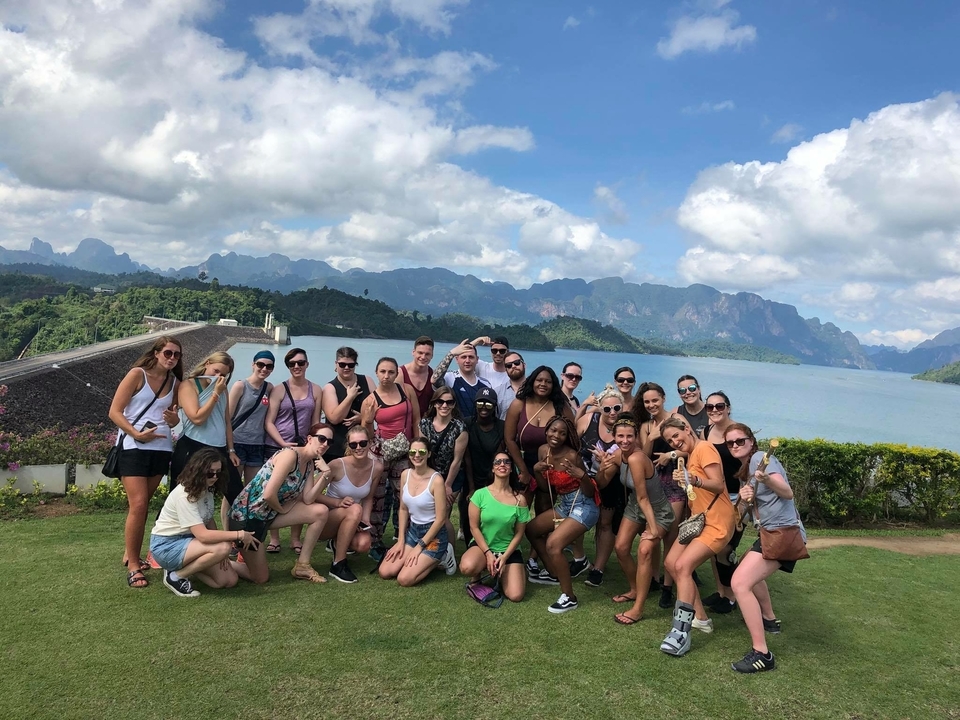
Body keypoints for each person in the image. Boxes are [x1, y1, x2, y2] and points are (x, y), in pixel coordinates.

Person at [725, 423, 806, 673]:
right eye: (731, 443)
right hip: (771, 532)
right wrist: (744, 499)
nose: (736, 446)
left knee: (739, 583)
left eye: (740, 441)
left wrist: (767, 478)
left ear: (751, 441)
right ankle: (769, 619)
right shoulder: (746, 471)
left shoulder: (761, 459)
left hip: (783, 533)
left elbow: (788, 493)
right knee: (745, 570)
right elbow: (743, 516)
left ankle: (762, 654)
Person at [659, 417, 737, 657]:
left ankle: (681, 631)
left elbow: (718, 484)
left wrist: (694, 479)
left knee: (682, 566)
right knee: (671, 563)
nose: (675, 441)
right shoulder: (689, 455)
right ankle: (701, 618)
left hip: (717, 522)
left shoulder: (704, 448)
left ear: (686, 429)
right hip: (700, 521)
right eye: (669, 439)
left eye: (676, 435)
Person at [109, 336, 182, 588]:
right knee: (138, 504)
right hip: (133, 447)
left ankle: (130, 552)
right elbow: (114, 411)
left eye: (176, 355)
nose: (172, 358)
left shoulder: (175, 383)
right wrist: (135, 433)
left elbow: (173, 420)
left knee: (143, 504)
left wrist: (173, 420)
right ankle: (133, 565)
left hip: (161, 449)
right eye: (168, 353)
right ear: (157, 353)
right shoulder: (137, 374)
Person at [228, 426, 332, 584]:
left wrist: (325, 475)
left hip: (268, 515)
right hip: (246, 518)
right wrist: (282, 509)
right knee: (260, 578)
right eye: (322, 438)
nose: (325, 444)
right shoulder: (290, 455)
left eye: (329, 442)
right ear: (310, 439)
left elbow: (309, 499)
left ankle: (302, 566)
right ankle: (221, 562)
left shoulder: (309, 464)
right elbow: (269, 494)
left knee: (320, 512)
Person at [149, 449, 257, 598]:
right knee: (223, 547)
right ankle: (175, 576)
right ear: (198, 470)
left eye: (218, 473)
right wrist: (239, 535)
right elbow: (203, 536)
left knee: (228, 581)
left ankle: (187, 567)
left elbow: (208, 519)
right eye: (210, 472)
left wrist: (220, 555)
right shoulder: (185, 495)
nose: (214, 477)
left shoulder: (206, 490)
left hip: (190, 542)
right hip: (167, 545)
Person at [601, 414, 675, 625]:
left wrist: (652, 529)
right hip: (635, 506)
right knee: (622, 547)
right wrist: (602, 467)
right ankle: (634, 589)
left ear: (636, 438)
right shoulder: (619, 456)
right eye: (620, 436)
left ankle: (638, 608)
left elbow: (644, 497)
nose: (625, 441)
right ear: (614, 436)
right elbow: (602, 483)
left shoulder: (636, 458)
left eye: (629, 436)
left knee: (644, 550)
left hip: (658, 511)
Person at [526, 415, 600, 613]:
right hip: (565, 504)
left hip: (584, 505)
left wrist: (582, 475)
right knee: (532, 529)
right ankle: (554, 571)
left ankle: (569, 597)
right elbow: (544, 487)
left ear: (567, 436)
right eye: (553, 430)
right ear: (546, 430)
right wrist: (536, 470)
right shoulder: (543, 451)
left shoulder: (573, 456)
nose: (556, 435)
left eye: (562, 433)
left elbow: (589, 491)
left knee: (553, 544)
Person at [170, 351, 243, 526]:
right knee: (180, 495)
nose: (219, 376)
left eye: (224, 375)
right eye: (216, 371)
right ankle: (163, 543)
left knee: (238, 497)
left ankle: (241, 541)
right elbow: (197, 418)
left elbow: (226, 421)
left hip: (218, 448)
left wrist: (231, 450)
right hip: (192, 446)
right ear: (207, 363)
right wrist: (215, 394)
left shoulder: (222, 388)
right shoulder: (188, 385)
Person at [264, 347, 323, 555]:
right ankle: (274, 538)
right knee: (276, 490)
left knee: (299, 493)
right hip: (277, 446)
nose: (296, 367)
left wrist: (317, 445)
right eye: (292, 364)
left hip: (303, 449)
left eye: (300, 362)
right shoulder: (279, 390)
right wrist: (283, 443)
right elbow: (269, 422)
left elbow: (316, 422)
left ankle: (296, 538)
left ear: (307, 364)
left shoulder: (316, 390)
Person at [361, 357, 420, 552]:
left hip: (405, 451)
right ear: (377, 373)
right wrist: (369, 421)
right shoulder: (370, 400)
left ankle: (406, 536)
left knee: (405, 495)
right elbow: (366, 436)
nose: (386, 376)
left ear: (396, 373)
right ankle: (375, 540)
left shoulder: (406, 391)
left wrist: (419, 445)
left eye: (391, 372)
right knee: (377, 497)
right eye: (383, 372)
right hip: (380, 451)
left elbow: (416, 419)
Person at [638, 382, 687, 609]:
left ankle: (668, 587)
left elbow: (692, 446)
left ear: (663, 398)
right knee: (654, 532)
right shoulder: (646, 426)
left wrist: (671, 453)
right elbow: (642, 458)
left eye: (655, 400)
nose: (651, 405)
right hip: (655, 486)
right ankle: (655, 578)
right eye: (647, 402)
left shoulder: (677, 419)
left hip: (675, 483)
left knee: (670, 535)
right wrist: (651, 437)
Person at [459, 451, 530, 603]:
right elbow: (474, 528)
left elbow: (519, 533)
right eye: (497, 462)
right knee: (467, 566)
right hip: (483, 546)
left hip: (508, 550)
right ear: (492, 469)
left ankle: (506, 571)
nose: (502, 465)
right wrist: (488, 553)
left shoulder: (520, 499)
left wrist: (504, 557)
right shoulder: (480, 495)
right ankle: (477, 577)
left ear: (511, 469)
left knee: (516, 595)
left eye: (506, 462)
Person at [378, 439, 452, 586]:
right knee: (385, 572)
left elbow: (441, 519)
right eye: (413, 452)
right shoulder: (405, 474)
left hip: (433, 536)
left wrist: (419, 547)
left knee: (404, 579)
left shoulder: (436, 480)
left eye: (422, 452)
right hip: (413, 532)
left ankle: (443, 555)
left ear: (429, 454)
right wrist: (400, 541)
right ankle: (419, 559)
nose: (417, 455)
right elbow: (403, 509)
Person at [312, 425, 378, 583]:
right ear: (348, 446)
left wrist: (366, 520)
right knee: (355, 508)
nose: (358, 448)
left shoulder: (377, 467)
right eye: (353, 444)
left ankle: (336, 543)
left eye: (362, 443)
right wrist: (337, 502)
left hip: (351, 519)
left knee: (364, 544)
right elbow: (312, 495)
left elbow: (368, 497)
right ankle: (338, 564)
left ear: (370, 443)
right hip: (325, 521)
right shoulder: (336, 465)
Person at [504, 366, 575, 511]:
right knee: (519, 508)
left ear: (553, 385)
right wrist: (523, 471)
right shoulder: (519, 404)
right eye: (539, 380)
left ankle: (541, 534)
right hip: (523, 462)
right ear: (532, 381)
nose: (543, 384)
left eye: (548, 381)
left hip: (550, 464)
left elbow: (572, 437)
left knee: (545, 508)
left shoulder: (561, 407)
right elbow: (509, 439)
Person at [576, 384, 625, 588]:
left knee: (605, 524)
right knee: (577, 518)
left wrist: (606, 464)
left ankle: (599, 568)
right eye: (607, 409)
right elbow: (571, 440)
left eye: (616, 408)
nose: (612, 412)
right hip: (583, 478)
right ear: (600, 409)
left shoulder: (625, 430)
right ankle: (579, 558)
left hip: (611, 483)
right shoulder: (589, 420)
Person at [701, 391, 744, 614]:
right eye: (710, 407)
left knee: (727, 549)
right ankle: (721, 593)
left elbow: (748, 463)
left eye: (719, 406)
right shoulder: (707, 431)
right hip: (714, 498)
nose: (715, 410)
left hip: (736, 498)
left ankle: (732, 597)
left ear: (728, 407)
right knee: (715, 547)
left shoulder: (737, 432)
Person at [418, 387, 467, 571]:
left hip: (451, 477)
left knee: (443, 515)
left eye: (449, 402)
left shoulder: (460, 428)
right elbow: (422, 453)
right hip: (430, 474)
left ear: (454, 404)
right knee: (431, 514)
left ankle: (450, 553)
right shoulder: (424, 425)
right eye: (440, 401)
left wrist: (446, 485)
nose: (444, 405)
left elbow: (457, 460)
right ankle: (435, 550)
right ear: (434, 403)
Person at [462, 386, 505, 545]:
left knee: (491, 515)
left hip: (493, 477)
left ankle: (493, 544)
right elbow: (466, 457)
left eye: (488, 404)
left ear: (495, 406)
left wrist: (492, 485)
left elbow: (499, 456)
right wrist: (472, 487)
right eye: (480, 403)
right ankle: (470, 547)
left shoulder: (502, 426)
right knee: (467, 513)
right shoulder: (467, 423)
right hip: (471, 476)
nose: (484, 408)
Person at [228, 350, 275, 484]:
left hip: (258, 444)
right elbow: (228, 418)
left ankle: (246, 507)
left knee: (252, 488)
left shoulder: (269, 388)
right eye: (260, 364)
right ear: (253, 365)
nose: (264, 369)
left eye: (269, 366)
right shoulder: (240, 386)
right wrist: (230, 448)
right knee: (233, 488)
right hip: (238, 442)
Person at [322, 346, 375, 459]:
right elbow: (334, 418)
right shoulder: (330, 388)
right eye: (342, 364)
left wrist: (363, 417)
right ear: (336, 364)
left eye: (351, 365)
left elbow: (380, 408)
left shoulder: (367, 381)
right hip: (336, 447)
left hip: (363, 445)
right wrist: (350, 397)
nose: (346, 368)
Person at [430, 342, 492, 421]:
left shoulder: (485, 384)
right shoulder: (450, 378)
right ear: (457, 359)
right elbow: (434, 379)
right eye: (463, 357)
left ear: (477, 360)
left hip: (476, 430)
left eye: (471, 357)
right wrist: (451, 353)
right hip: (455, 429)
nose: (467, 360)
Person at [400, 336, 435, 419]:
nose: (423, 357)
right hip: (405, 424)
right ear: (413, 352)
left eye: (427, 354)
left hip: (426, 425)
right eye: (420, 353)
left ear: (432, 355)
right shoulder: (400, 373)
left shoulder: (433, 375)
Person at [497, 351, 526, 419]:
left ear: (524, 365)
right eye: (509, 365)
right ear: (506, 370)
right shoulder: (497, 392)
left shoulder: (535, 390)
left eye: (517, 363)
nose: (513, 366)